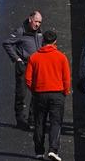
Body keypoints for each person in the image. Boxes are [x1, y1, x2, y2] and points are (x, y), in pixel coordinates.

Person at [25, 30, 70, 161]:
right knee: (56, 122)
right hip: (57, 94)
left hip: (39, 94)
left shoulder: (34, 57)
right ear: (55, 42)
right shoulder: (61, 57)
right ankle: (53, 149)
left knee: (39, 122)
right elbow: (66, 78)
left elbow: (28, 79)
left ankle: (39, 151)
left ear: (43, 41)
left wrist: (34, 90)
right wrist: (65, 92)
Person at [2, 11, 44, 130]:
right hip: (24, 66)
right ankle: (20, 119)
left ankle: (32, 119)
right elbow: (7, 43)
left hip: (36, 66)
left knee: (36, 93)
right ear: (30, 19)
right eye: (36, 21)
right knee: (21, 94)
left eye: (40, 22)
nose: (38, 24)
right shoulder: (20, 31)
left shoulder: (40, 32)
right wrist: (17, 59)